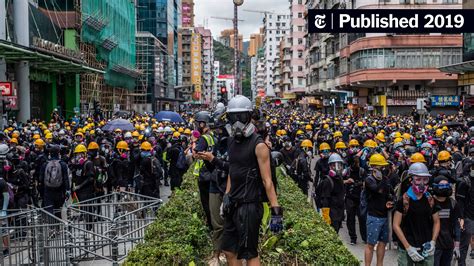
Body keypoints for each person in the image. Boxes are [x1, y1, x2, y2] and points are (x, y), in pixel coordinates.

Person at [221, 95, 282, 265]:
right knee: (228, 250)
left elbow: (267, 180)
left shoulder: (259, 145)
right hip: (233, 203)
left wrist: (276, 211)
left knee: (249, 253)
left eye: (241, 117)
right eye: (234, 117)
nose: (237, 121)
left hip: (250, 206)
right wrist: (227, 195)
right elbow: (233, 170)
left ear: (249, 117)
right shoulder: (231, 141)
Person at [393, 162, 440, 266]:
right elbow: (396, 225)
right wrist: (408, 247)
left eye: (425, 179)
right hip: (407, 247)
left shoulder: (430, 199)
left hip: (426, 247)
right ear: (411, 180)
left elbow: (437, 222)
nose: (422, 183)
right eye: (418, 179)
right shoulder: (404, 200)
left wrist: (433, 242)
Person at [364, 154, 394, 266]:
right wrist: (383, 179)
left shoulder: (386, 180)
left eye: (384, 167)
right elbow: (377, 190)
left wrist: (392, 201)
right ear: (373, 167)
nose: (383, 169)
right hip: (373, 216)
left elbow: (392, 193)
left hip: (385, 216)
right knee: (370, 244)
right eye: (381, 167)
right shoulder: (369, 180)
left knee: (382, 243)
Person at [432, 176, 461, 266]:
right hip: (434, 245)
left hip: (448, 244)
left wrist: (457, 245)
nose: (444, 188)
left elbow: (456, 224)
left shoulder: (453, 203)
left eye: (446, 185)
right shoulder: (430, 202)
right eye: (441, 185)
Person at [318, 153, 346, 233]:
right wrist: (326, 216)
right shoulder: (327, 181)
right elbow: (325, 199)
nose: (338, 168)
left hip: (339, 212)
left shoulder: (340, 178)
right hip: (332, 213)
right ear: (330, 167)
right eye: (334, 165)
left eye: (339, 165)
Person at [40, 144, 69, 219]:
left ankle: (51, 229)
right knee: (58, 211)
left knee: (50, 212)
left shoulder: (45, 164)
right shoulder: (62, 164)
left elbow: (41, 179)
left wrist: (42, 193)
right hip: (59, 191)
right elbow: (66, 178)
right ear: (59, 153)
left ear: (50, 153)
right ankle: (58, 229)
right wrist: (67, 190)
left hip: (48, 191)